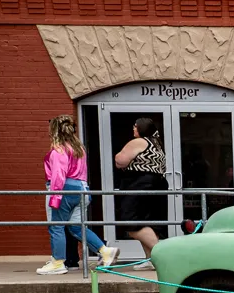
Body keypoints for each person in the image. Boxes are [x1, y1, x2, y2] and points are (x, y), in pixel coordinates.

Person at [37, 115, 118, 275]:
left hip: (64, 189)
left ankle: (58, 262)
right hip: (82, 188)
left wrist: (55, 197)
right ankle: (105, 251)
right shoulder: (79, 148)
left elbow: (59, 175)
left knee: (56, 226)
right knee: (77, 227)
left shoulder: (58, 150)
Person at [113, 116, 168, 266]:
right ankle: (151, 259)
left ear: (142, 128)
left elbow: (120, 161)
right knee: (147, 221)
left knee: (131, 221)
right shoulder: (156, 143)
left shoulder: (139, 142)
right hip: (156, 183)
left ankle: (162, 254)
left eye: (135, 126)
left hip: (140, 183)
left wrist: (118, 155)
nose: (133, 128)